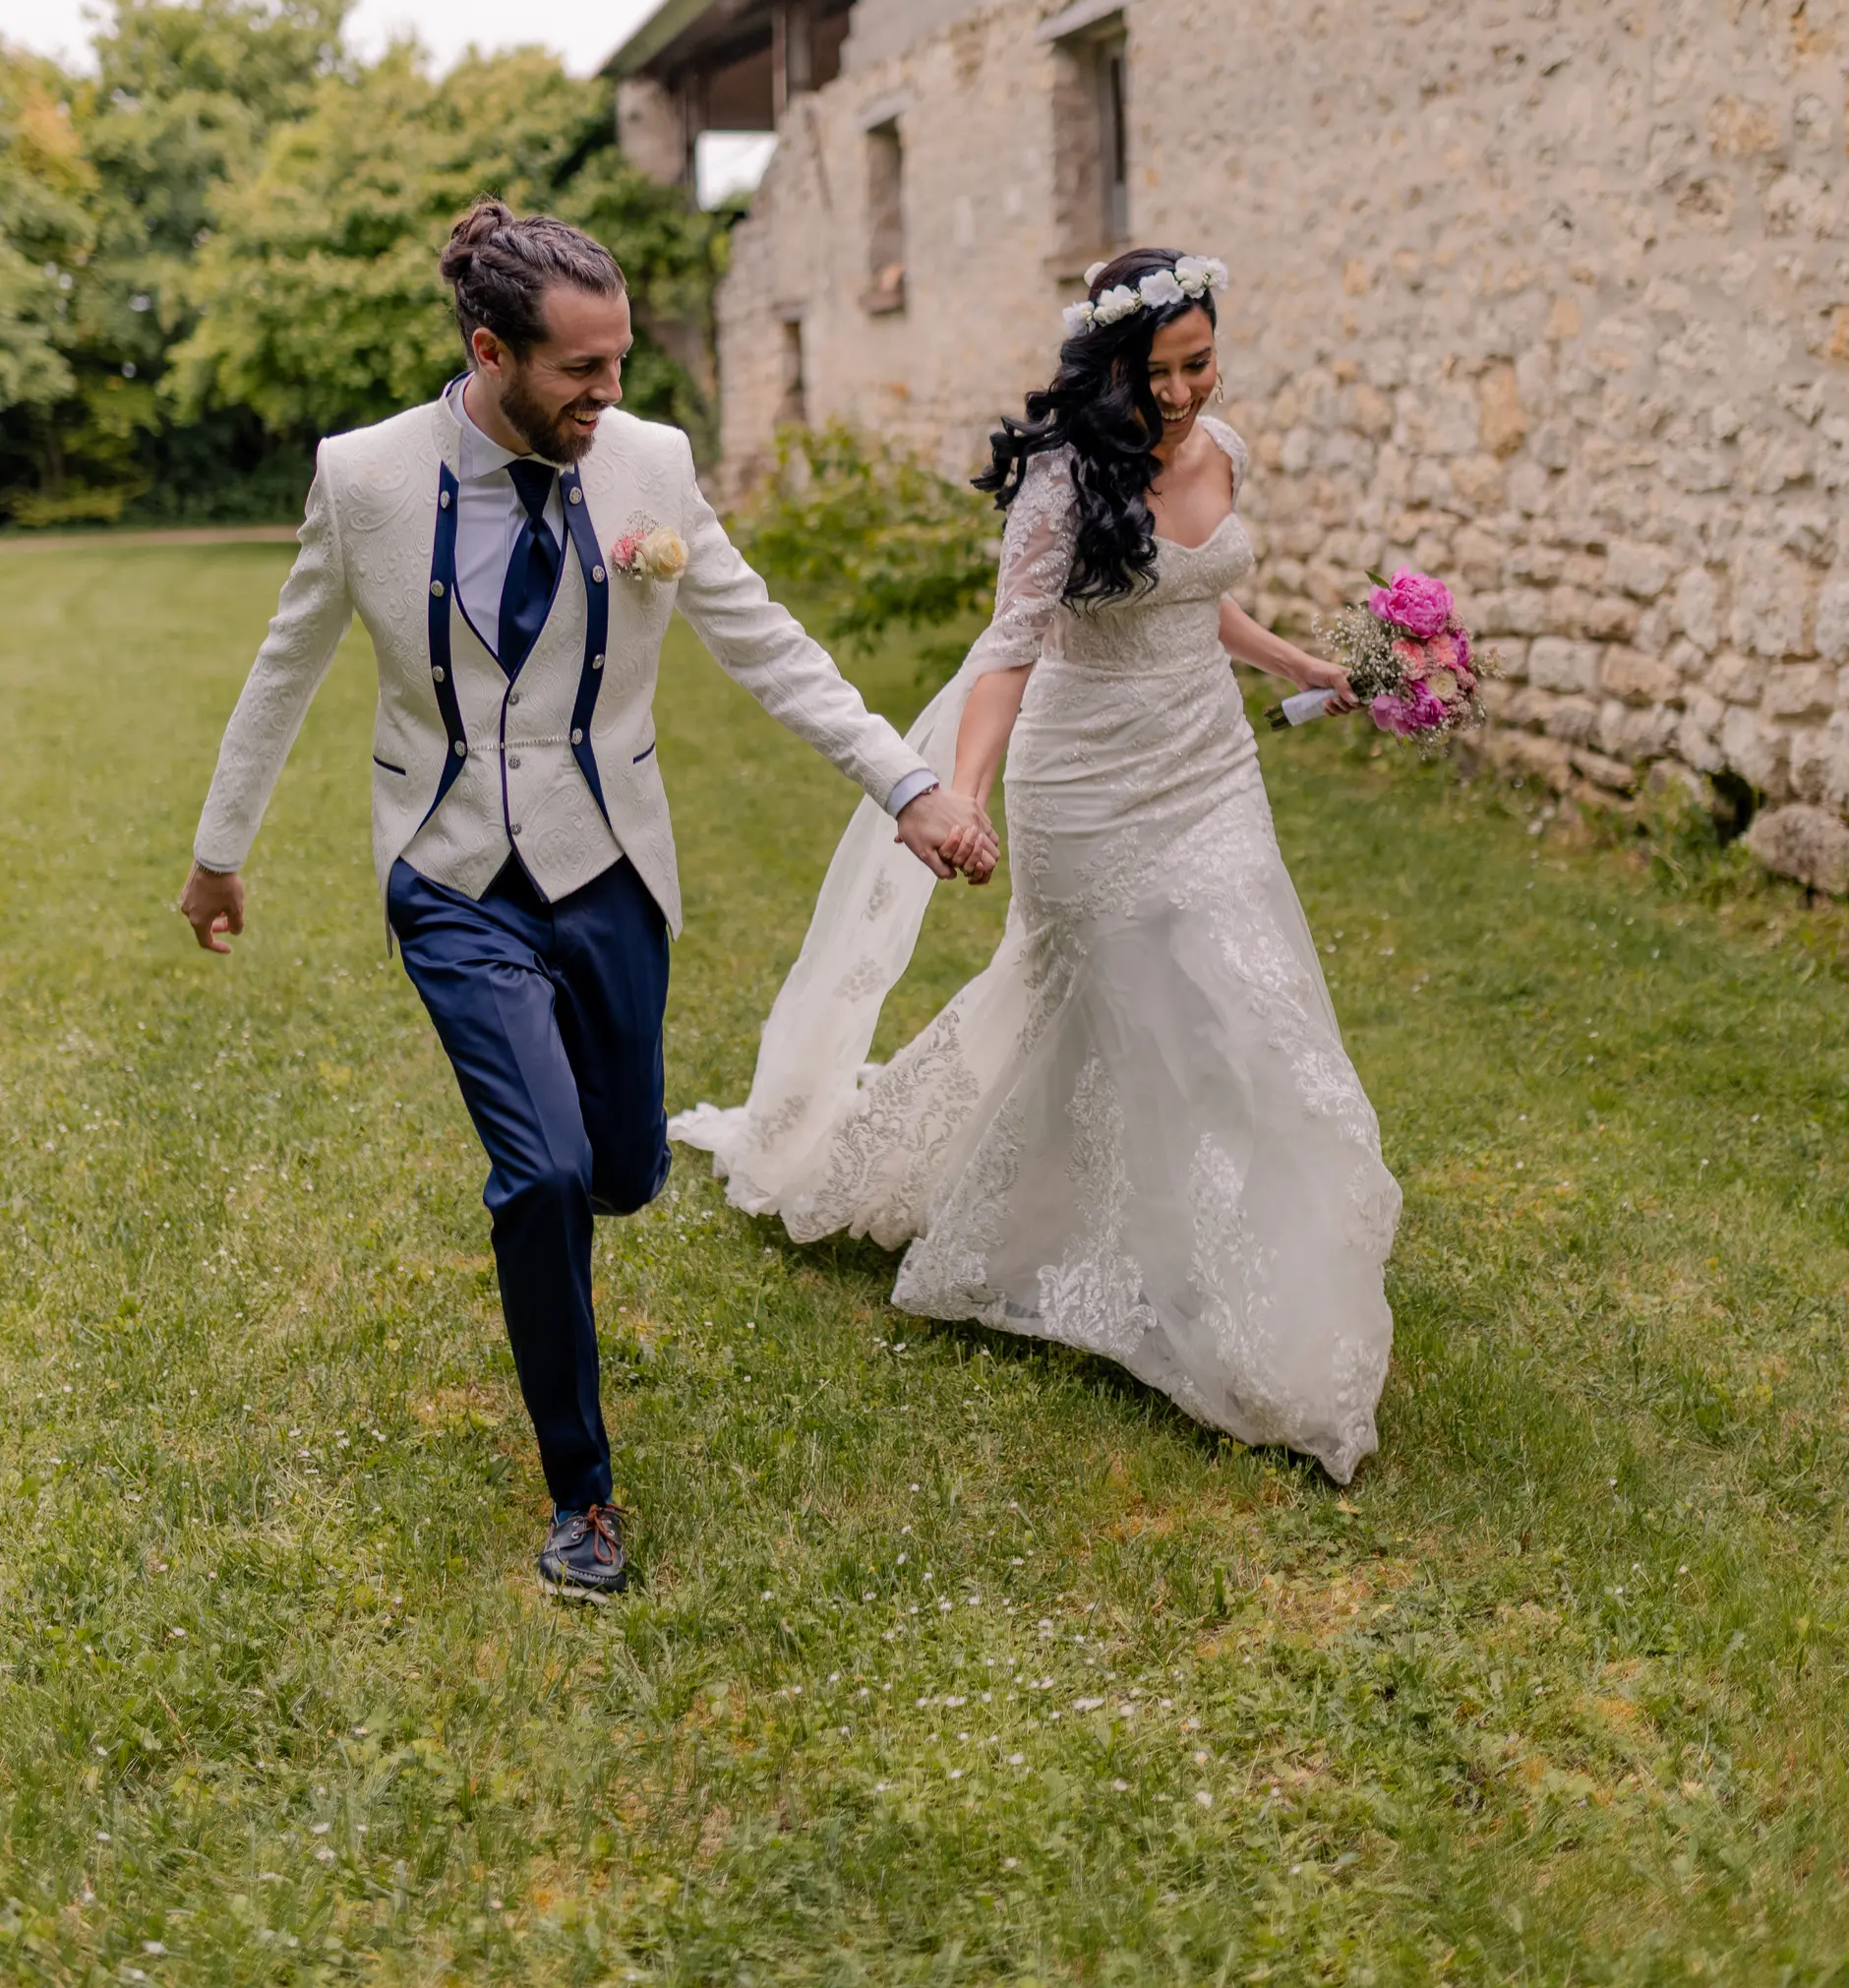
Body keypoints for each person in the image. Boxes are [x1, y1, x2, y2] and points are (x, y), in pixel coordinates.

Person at [180, 201, 994, 1597]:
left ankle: (619, 1160)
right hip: (449, 872)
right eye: (581, 370)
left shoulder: (646, 464)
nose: (609, 394)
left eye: (620, 364)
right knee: (544, 1177)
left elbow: (767, 643)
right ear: (489, 350)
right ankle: (582, 1497)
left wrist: (906, 784)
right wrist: (218, 849)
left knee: (618, 1166)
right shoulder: (365, 478)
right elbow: (284, 665)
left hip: (611, 864)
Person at [671, 249, 1402, 1483]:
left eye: (1198, 364)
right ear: (1106, 369)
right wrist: (958, 790)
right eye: (1155, 372)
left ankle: (1246, 1255)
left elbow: (1193, 599)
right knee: (1131, 1015)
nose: (1180, 393)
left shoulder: (1221, 448)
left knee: (1246, 998)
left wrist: (1303, 667)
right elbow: (1010, 649)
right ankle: (1130, 1253)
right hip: (1087, 781)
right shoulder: (1062, 482)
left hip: (1207, 766)